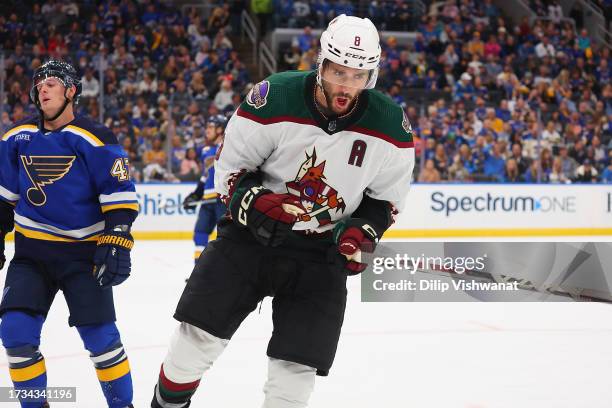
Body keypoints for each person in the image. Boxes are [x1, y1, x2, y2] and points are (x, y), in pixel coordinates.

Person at [151, 14, 415, 408]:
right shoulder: (274, 96)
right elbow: (230, 171)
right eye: (339, 71)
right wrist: (256, 204)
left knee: (294, 373)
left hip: (320, 255)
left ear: (371, 76)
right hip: (249, 238)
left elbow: (385, 200)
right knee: (196, 340)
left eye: (358, 75)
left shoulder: (391, 125)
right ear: (322, 62)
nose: (346, 85)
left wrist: (362, 232)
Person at [0, 60, 139, 408]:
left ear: (71, 91)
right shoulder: (15, 137)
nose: (42, 89)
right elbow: (3, 200)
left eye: (51, 83)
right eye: (38, 85)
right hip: (32, 255)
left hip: (83, 257)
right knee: (15, 334)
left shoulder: (95, 137)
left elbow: (119, 195)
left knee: (102, 339)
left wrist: (117, 235)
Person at [182, 115, 227, 261]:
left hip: (222, 200)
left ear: (220, 129)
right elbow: (205, 176)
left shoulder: (230, 147)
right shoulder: (206, 150)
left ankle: (225, 275)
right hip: (207, 200)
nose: (207, 130)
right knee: (199, 234)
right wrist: (196, 193)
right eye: (206, 127)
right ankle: (199, 275)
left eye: (210, 127)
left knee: (226, 238)